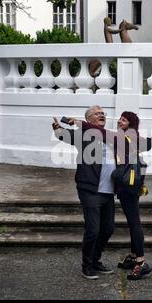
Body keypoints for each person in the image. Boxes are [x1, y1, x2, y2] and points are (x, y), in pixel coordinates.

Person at [69, 112, 152, 280]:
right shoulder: (133, 137)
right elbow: (146, 144)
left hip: (127, 186)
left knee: (134, 222)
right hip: (132, 185)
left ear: (131, 124)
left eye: (125, 120)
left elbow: (101, 133)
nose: (120, 121)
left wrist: (79, 122)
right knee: (132, 221)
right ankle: (134, 256)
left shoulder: (125, 136)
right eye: (120, 118)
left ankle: (141, 263)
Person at [52, 106, 116, 280]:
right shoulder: (84, 136)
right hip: (90, 189)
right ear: (88, 120)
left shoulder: (110, 136)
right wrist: (58, 129)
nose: (102, 115)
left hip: (109, 190)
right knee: (93, 230)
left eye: (103, 113)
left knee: (108, 229)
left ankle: (95, 261)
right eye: (97, 113)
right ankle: (87, 265)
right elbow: (65, 136)